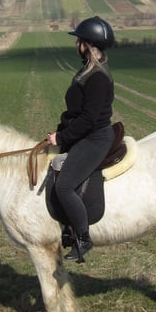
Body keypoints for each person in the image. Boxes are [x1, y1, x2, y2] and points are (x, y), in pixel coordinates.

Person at [47, 16, 115, 262]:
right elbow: (76, 112)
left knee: (64, 186)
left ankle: (83, 239)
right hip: (85, 134)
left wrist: (62, 137)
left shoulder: (96, 76)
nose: (76, 45)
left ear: (87, 44)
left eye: (79, 41)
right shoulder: (88, 69)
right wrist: (59, 134)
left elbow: (87, 119)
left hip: (95, 138)